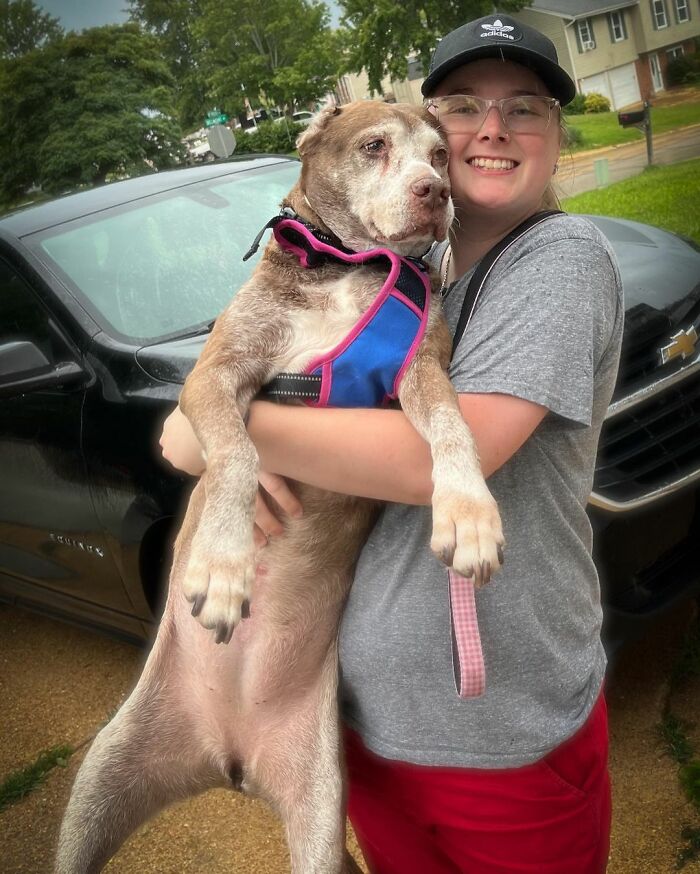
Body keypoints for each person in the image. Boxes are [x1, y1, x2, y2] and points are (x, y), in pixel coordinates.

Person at [160, 14, 624, 873]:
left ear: (558, 138)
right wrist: (208, 427)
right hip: (367, 720)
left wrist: (230, 432)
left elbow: (430, 463)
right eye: (464, 107)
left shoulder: (559, 258)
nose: (492, 128)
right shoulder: (402, 278)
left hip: (498, 732)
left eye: (524, 108)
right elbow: (195, 427)